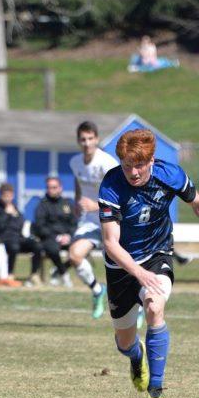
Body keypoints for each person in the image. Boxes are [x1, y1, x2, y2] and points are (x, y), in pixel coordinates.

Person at [98, 129, 199, 398]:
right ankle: (137, 357)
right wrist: (138, 272)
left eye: (138, 165)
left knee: (154, 306)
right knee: (124, 342)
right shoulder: (111, 184)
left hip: (157, 254)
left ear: (151, 161)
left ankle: (156, 389)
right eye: (127, 165)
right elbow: (111, 244)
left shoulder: (169, 174)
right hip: (121, 266)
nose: (132, 172)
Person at [68, 120, 119, 318]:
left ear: (97, 139)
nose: (87, 143)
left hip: (112, 221)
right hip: (90, 221)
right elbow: (79, 181)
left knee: (124, 268)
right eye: (83, 139)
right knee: (74, 255)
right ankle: (98, 290)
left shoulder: (107, 163)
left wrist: (96, 205)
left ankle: (138, 306)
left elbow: (121, 196)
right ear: (78, 141)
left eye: (90, 139)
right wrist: (76, 201)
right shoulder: (75, 162)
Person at [0, 182, 42, 287]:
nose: (8, 199)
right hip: (3, 239)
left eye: (10, 196)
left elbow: (20, 223)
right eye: (5, 196)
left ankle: (34, 274)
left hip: (17, 237)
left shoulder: (15, 208)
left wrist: (13, 216)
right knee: (14, 246)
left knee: (37, 245)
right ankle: (10, 274)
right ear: (1, 195)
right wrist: (7, 215)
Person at [32, 175, 77, 283]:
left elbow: (73, 223)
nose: (51, 190)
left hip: (67, 237)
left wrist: (69, 235)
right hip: (50, 238)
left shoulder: (67, 203)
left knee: (80, 250)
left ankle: (58, 270)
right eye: (49, 187)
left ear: (60, 188)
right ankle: (64, 275)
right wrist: (56, 237)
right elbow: (40, 225)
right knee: (52, 249)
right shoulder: (42, 205)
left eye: (54, 187)